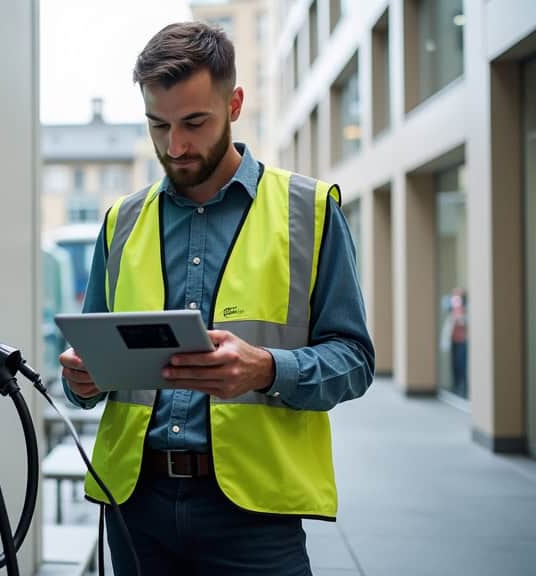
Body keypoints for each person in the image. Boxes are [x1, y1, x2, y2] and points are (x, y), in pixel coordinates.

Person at [58, 21, 375, 575]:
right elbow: (88, 370)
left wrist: (267, 369)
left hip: (255, 517)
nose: (174, 146)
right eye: (158, 125)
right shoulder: (122, 222)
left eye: (194, 123)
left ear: (234, 103)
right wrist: (80, 381)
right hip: (136, 507)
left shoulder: (311, 211)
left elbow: (354, 360)